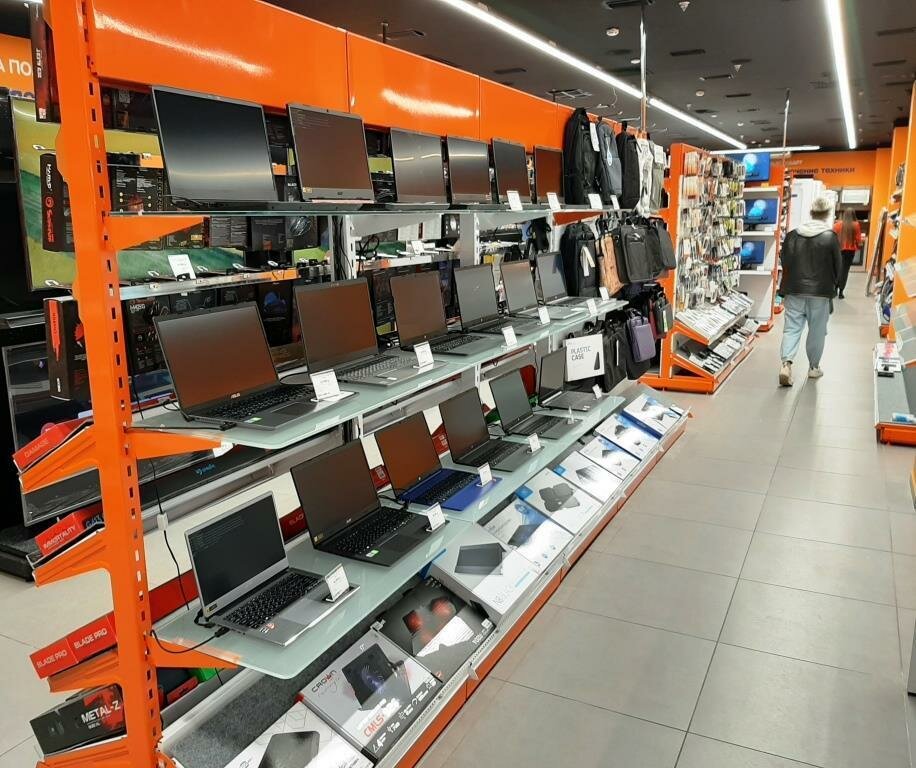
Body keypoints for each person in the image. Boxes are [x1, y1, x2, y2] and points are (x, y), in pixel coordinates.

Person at [778, 196, 842, 386]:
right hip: (820, 293)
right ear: (828, 214)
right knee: (817, 331)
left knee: (791, 329)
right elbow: (838, 267)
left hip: (794, 289)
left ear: (811, 212)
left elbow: (785, 260)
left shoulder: (792, 235)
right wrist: (834, 286)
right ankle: (814, 367)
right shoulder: (830, 237)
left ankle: (786, 364)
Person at [832, 208, 863, 298]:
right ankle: (841, 292)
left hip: (838, 250)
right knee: (845, 271)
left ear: (844, 214)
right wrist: (859, 244)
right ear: (853, 215)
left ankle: (835, 289)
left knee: (837, 269)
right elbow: (858, 240)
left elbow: (832, 237)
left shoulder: (837, 225)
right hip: (849, 252)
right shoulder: (856, 225)